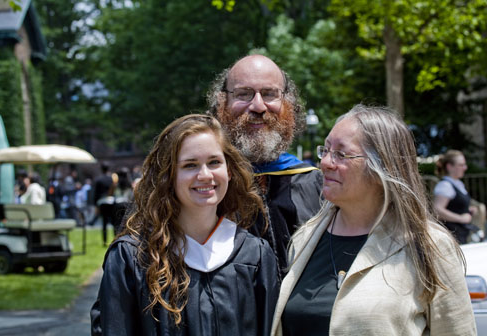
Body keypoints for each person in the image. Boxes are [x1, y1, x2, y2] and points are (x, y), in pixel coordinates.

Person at [271, 105, 476, 335]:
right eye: (325, 150)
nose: (325, 163)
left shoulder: (428, 245)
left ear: (383, 168)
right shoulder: (305, 237)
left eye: (341, 153)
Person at [90, 114, 279, 336]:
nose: (205, 175)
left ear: (229, 170)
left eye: (214, 162)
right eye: (190, 165)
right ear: (168, 176)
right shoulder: (133, 258)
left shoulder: (254, 256)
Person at [207, 54, 323, 278]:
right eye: (244, 94)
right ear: (222, 104)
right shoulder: (200, 185)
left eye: (269, 94)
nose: (258, 106)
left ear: (287, 104)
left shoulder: (320, 188)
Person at [433, 150, 480, 244]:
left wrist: (467, 210)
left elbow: (454, 207)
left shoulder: (458, 184)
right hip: (453, 237)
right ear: (449, 166)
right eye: (461, 165)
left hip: (462, 234)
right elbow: (437, 210)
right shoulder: (445, 185)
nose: (465, 168)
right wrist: (460, 218)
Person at [92, 162, 116, 245]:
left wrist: (95, 204)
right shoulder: (112, 179)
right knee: (113, 222)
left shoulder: (98, 179)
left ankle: (104, 241)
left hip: (102, 202)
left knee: (104, 222)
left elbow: (96, 193)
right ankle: (115, 238)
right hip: (111, 201)